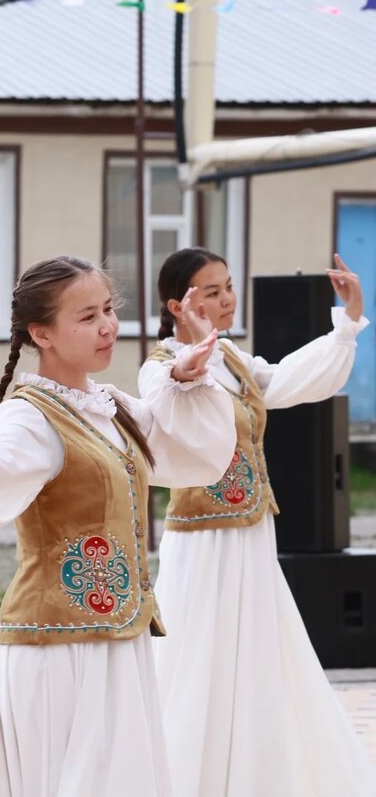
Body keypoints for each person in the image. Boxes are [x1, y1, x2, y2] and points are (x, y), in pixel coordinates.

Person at [0, 256, 235, 797]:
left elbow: (187, 451)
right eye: (87, 317)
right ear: (43, 333)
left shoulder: (108, 405)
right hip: (58, 651)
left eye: (108, 310)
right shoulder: (31, 414)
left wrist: (181, 377)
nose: (107, 325)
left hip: (115, 639)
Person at [140, 248, 376, 797]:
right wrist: (185, 369)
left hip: (250, 530)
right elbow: (164, 400)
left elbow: (289, 379)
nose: (227, 299)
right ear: (179, 304)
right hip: (202, 538)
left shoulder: (231, 358)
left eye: (228, 287)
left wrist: (347, 322)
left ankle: (252, 772)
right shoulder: (160, 366)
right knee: (200, 653)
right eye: (212, 291)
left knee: (257, 651)